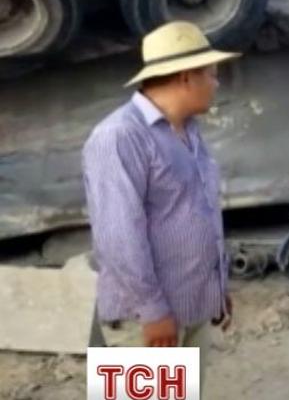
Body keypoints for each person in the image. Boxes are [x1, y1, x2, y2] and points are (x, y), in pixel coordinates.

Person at [83, 21, 237, 388]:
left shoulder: (188, 130)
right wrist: (152, 311)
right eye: (212, 75)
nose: (216, 84)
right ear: (186, 77)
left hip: (191, 308)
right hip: (147, 323)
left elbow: (196, 213)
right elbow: (119, 236)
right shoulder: (120, 137)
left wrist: (216, 289)